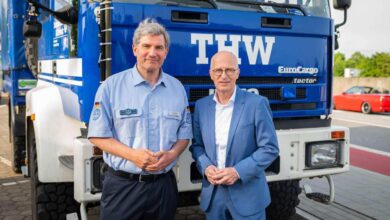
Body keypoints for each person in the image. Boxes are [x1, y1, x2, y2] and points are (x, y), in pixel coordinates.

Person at [88, 18, 192, 220]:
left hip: (164, 187)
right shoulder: (111, 87)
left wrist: (172, 154)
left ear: (166, 52)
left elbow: (184, 134)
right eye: (146, 46)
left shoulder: (177, 89)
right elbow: (97, 136)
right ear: (135, 49)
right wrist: (133, 155)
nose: (152, 53)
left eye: (158, 47)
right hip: (123, 187)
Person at [190, 51, 279, 220]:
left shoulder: (257, 104)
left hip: (248, 196)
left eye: (229, 70)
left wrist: (237, 171)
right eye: (218, 70)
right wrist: (206, 167)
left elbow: (270, 148)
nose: (224, 76)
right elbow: (197, 146)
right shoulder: (201, 107)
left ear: (237, 73)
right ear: (211, 74)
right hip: (213, 197)